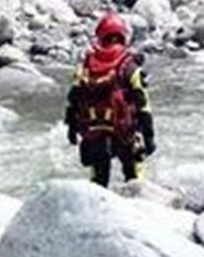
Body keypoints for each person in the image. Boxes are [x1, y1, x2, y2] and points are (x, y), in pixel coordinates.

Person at [65, 14, 155, 187]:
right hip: (124, 132)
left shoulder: (86, 65)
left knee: (98, 181)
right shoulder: (129, 65)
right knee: (134, 175)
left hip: (93, 131)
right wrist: (149, 137)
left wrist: (71, 128)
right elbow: (143, 104)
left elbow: (73, 98)